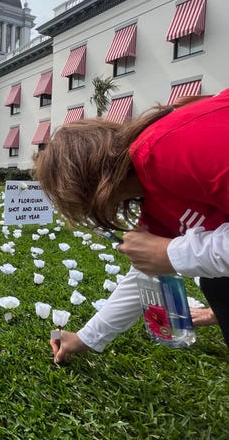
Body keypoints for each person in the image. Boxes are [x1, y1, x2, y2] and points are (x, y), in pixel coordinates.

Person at [34, 90, 229, 363]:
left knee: (219, 283)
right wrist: (85, 337)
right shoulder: (153, 193)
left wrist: (172, 254)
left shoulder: (168, 149)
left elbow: (168, 256)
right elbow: (143, 276)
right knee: (219, 283)